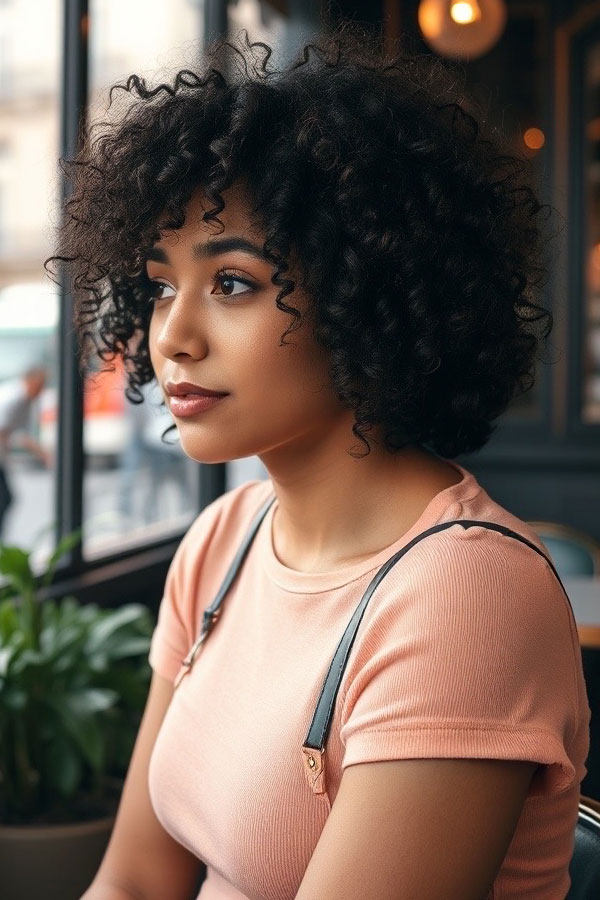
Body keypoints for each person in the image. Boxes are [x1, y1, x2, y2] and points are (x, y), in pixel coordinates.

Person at [46, 22, 590, 900]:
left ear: (361, 295)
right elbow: (138, 880)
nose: (173, 336)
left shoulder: (463, 594)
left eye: (232, 284)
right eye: (158, 285)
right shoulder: (223, 540)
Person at [0, 366, 51, 541]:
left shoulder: (25, 401)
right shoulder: (14, 398)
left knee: (6, 500)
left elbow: (23, 436)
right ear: (31, 381)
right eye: (41, 385)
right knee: (5, 499)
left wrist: (44, 455)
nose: (42, 390)